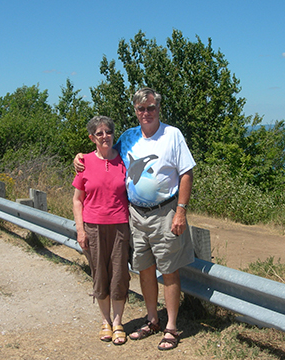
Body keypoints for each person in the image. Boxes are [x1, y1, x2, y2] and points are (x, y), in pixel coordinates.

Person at [75, 87, 196, 351]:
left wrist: (181, 211)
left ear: (158, 108)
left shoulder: (172, 134)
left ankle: (171, 327)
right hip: (135, 215)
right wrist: (80, 157)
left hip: (165, 212)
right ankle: (152, 319)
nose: (146, 113)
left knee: (170, 269)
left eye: (151, 107)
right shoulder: (129, 137)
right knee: (144, 268)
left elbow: (186, 173)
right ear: (135, 111)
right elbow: (104, 152)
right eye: (141, 109)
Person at [72, 115, 131, 346]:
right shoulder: (84, 162)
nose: (105, 136)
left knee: (119, 274)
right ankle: (105, 321)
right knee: (99, 274)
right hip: (93, 227)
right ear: (92, 138)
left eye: (108, 132)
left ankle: (118, 322)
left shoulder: (124, 160)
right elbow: (77, 200)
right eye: (99, 133)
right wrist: (80, 230)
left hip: (119, 226)